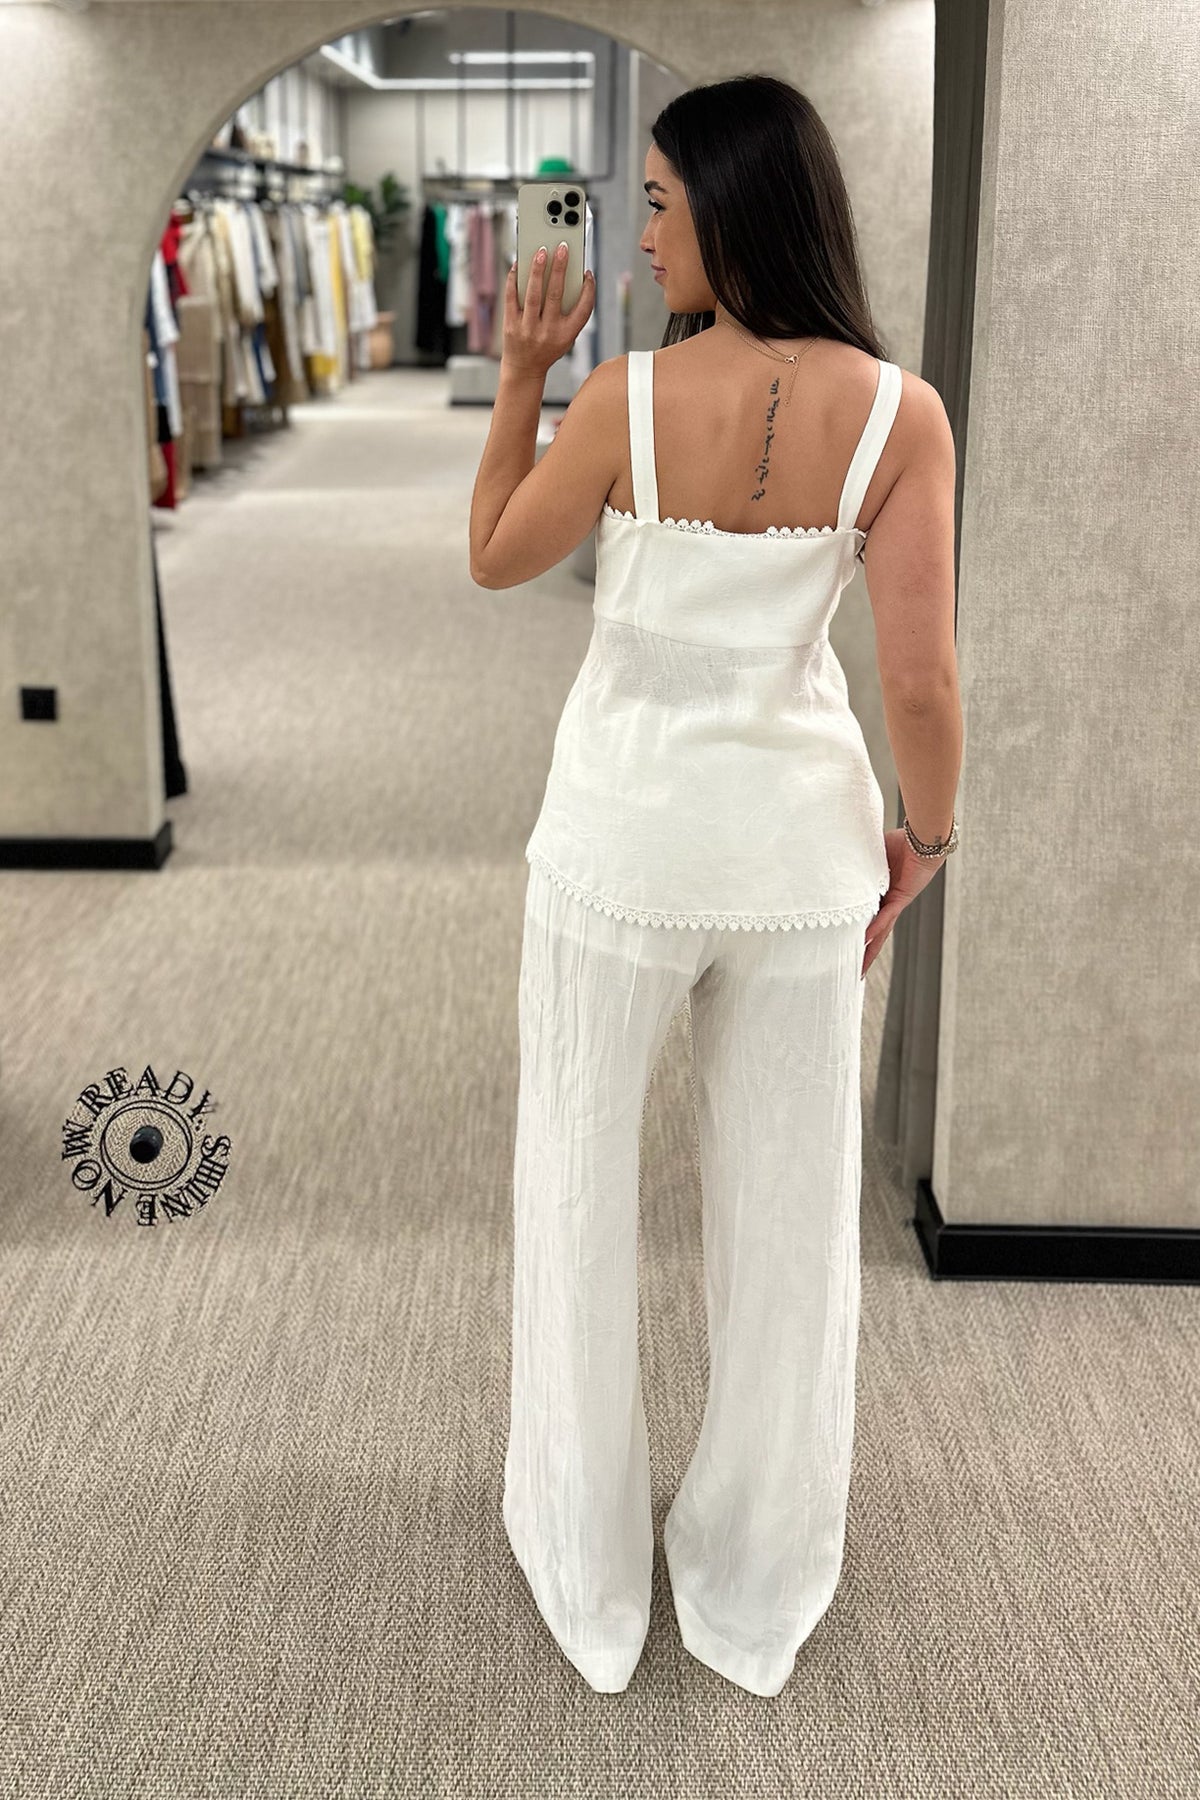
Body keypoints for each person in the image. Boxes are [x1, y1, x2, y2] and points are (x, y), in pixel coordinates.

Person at [470, 74, 963, 1697]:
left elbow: (496, 553)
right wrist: (927, 840)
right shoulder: (901, 415)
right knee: (791, 1220)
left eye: (664, 203)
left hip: (620, 846)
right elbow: (921, 682)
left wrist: (522, 381)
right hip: (797, 860)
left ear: (738, 211)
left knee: (577, 1185)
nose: (644, 234)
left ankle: (588, 1558)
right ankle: (754, 1571)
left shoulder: (621, 398)